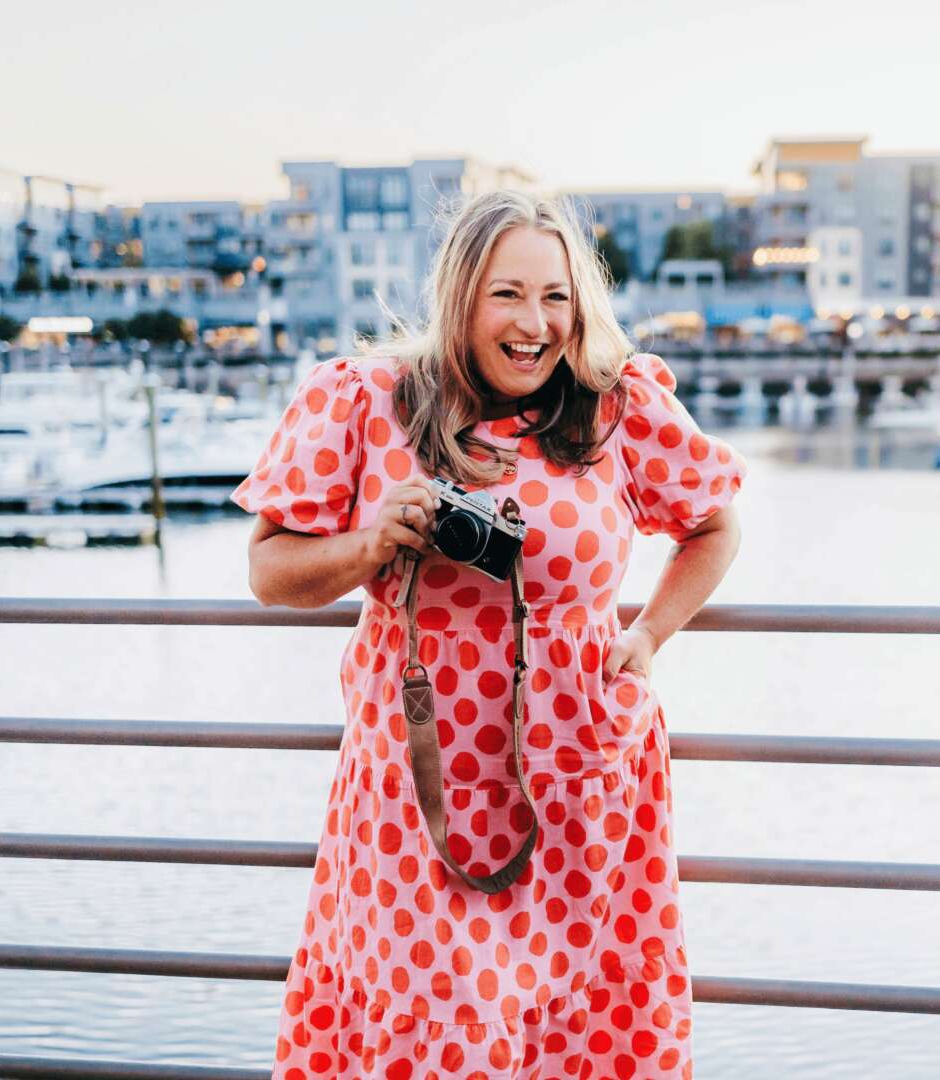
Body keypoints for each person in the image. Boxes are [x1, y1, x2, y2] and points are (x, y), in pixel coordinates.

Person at [234, 190, 745, 1079]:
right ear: (460, 296)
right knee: (438, 1025)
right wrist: (372, 543)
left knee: (579, 1032)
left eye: (555, 297)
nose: (534, 324)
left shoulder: (617, 406)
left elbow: (714, 525)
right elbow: (271, 572)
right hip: (416, 792)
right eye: (507, 294)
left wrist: (650, 634)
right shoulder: (364, 400)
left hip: (581, 791)